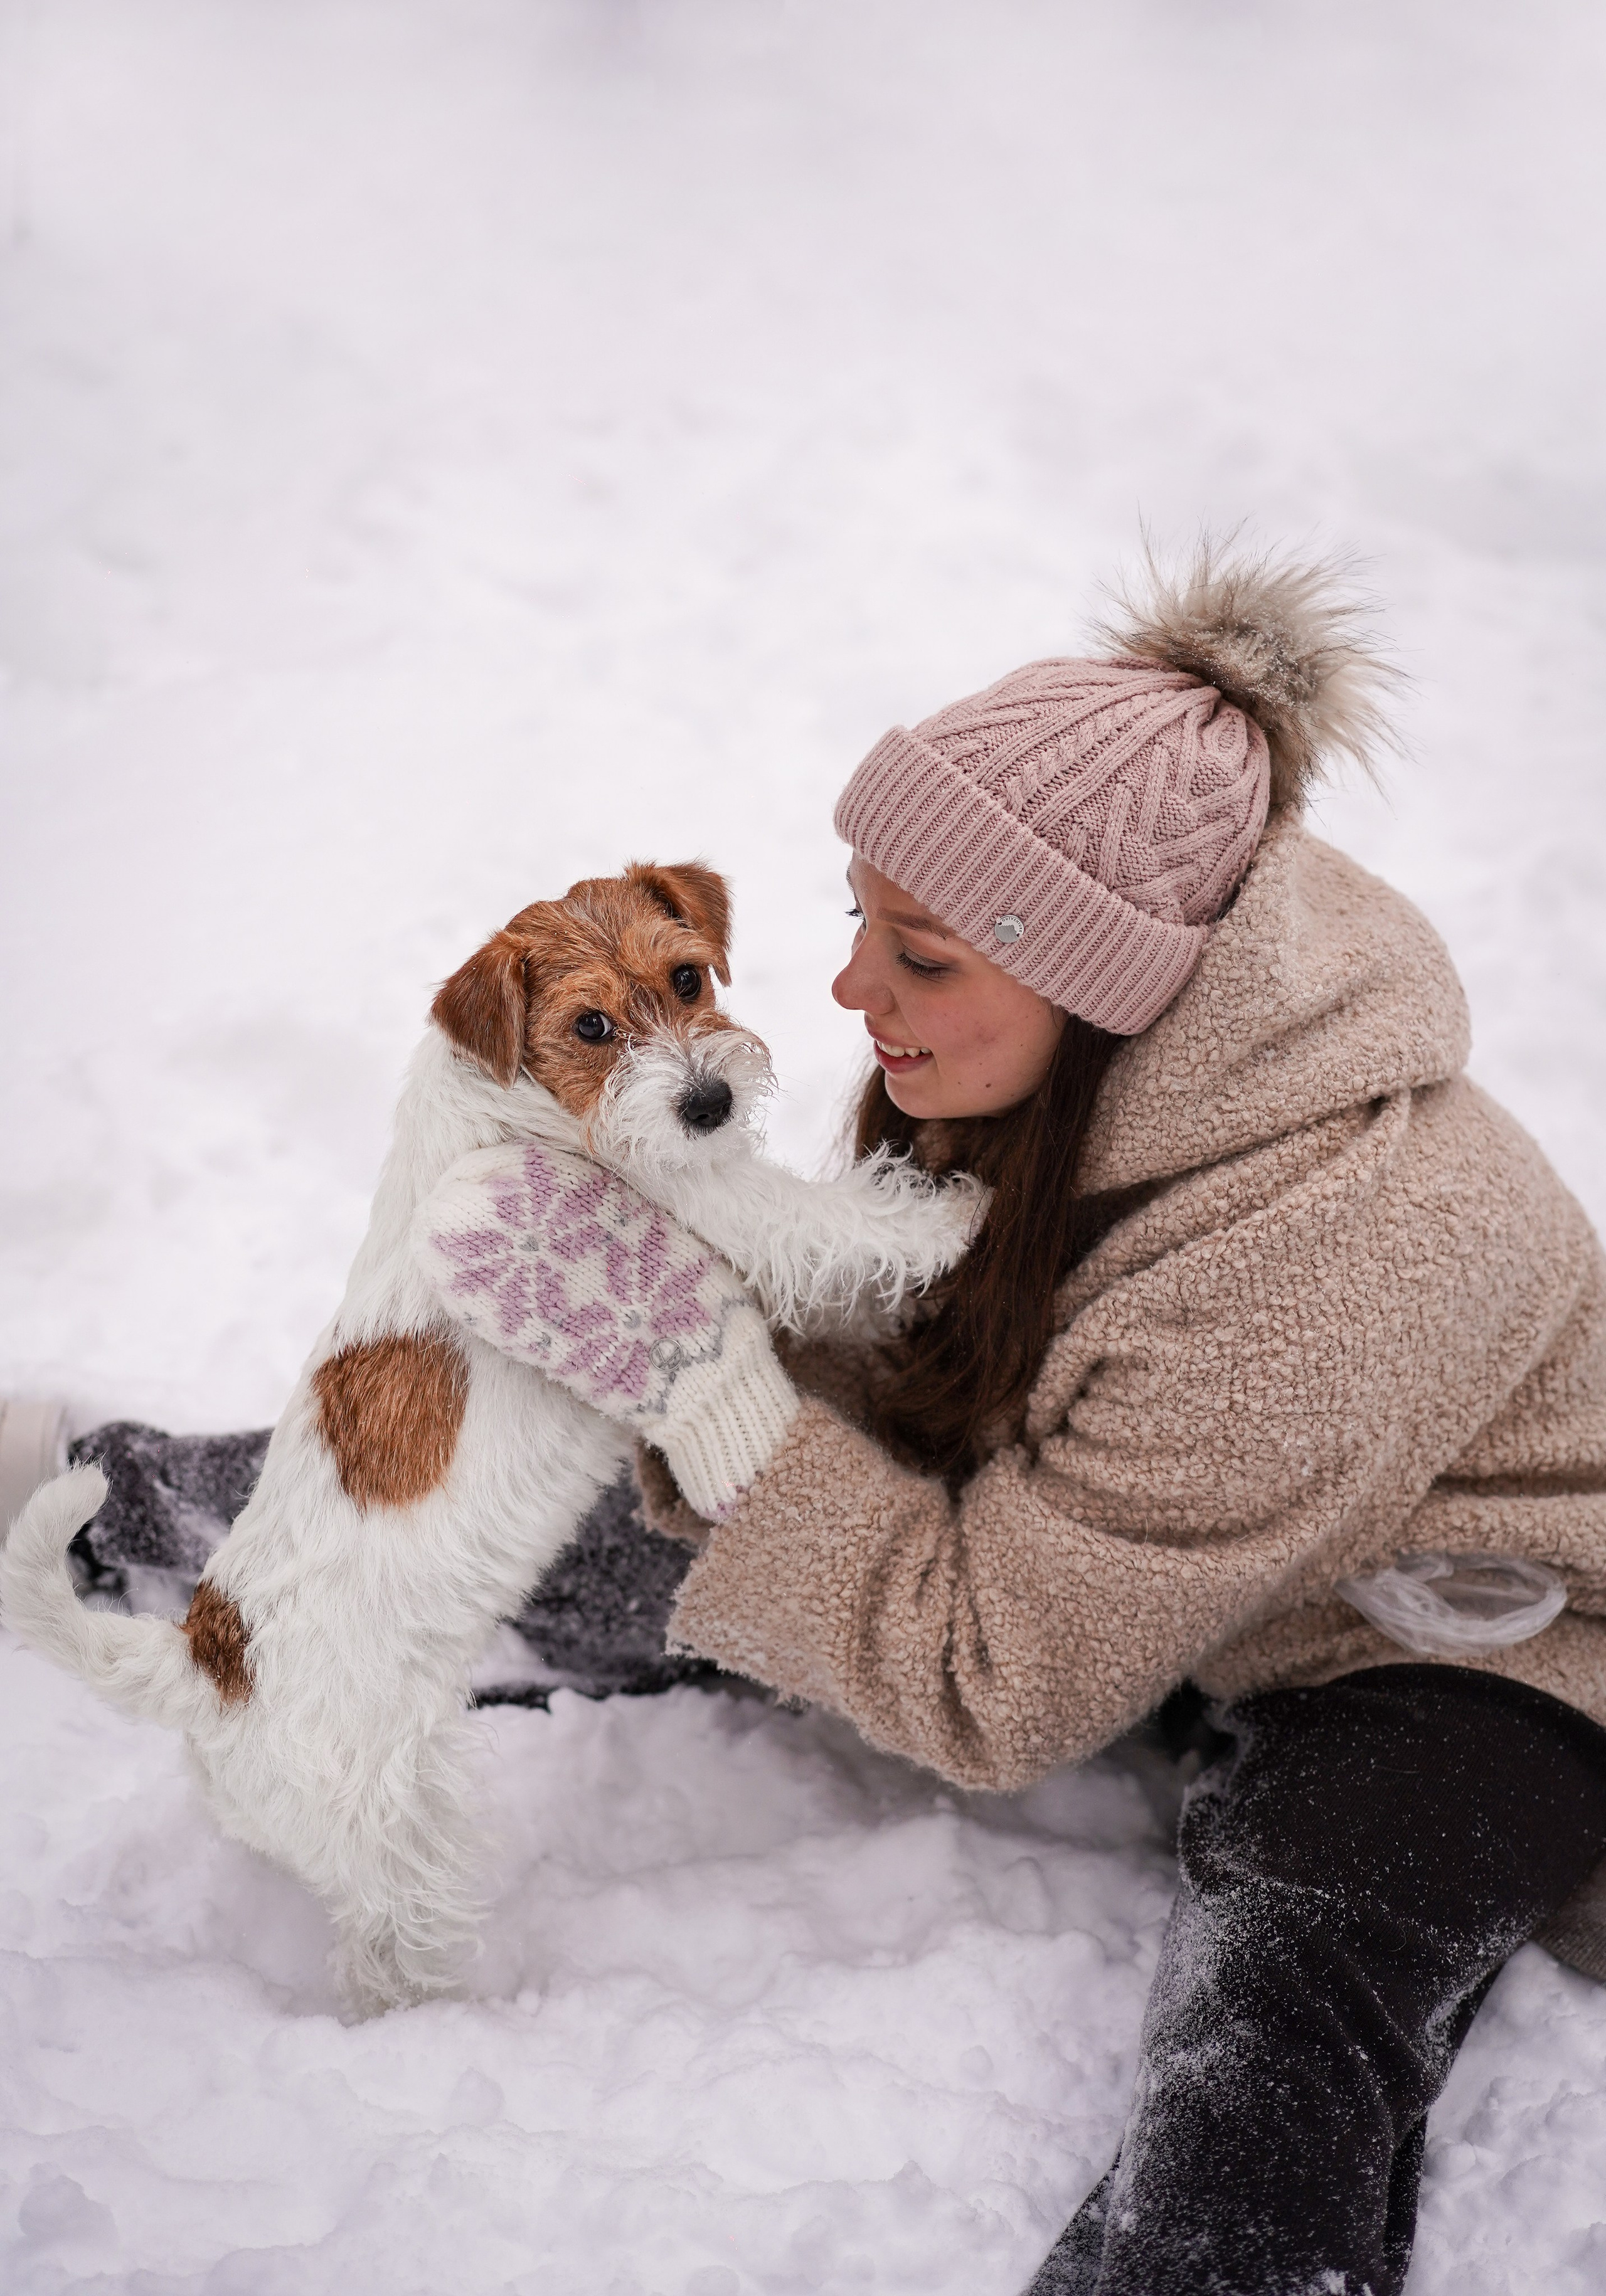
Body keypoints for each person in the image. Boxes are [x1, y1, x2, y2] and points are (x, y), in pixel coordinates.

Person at [8, 541, 1606, 2293]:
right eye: (860, 917)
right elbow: (884, 1381)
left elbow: (986, 1682)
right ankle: (129, 1517)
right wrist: (676, 1336)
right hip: (1142, 1560)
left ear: (1098, 974)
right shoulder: (1041, 1065)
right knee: (625, 1514)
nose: (849, 990)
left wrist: (712, 1391)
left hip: (1465, 1648)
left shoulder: (1325, 1269)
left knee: (1300, 1969)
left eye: (913, 950)